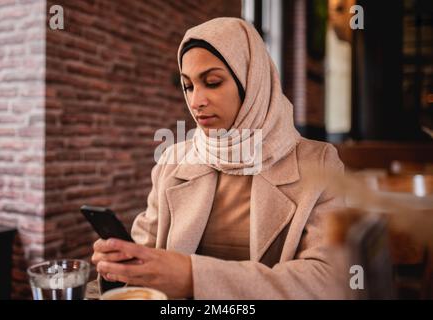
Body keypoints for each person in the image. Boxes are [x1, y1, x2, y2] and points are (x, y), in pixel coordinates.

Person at [91, 17, 345, 299]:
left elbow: (327, 282)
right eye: (188, 86)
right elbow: (145, 254)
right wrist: (122, 264)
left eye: (212, 82)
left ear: (251, 82)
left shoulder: (319, 164)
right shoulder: (172, 161)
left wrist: (192, 277)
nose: (196, 101)